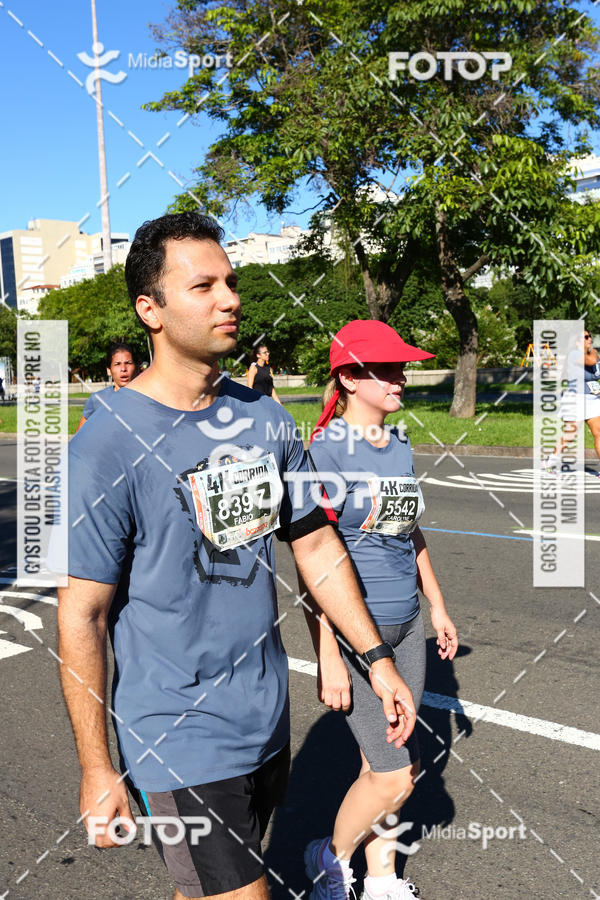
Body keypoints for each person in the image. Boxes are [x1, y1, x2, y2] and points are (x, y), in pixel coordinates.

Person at [55, 213, 417, 900]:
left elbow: (314, 543)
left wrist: (377, 657)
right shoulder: (107, 444)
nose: (230, 299)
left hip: (264, 716)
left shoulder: (266, 420)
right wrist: (98, 767)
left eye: (231, 281)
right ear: (150, 309)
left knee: (199, 889)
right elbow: (83, 616)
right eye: (203, 286)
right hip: (176, 733)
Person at [303, 320, 458, 900]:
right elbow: (314, 561)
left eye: (402, 368)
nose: (401, 379)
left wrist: (437, 606)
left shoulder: (398, 445)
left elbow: (409, 531)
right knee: (398, 775)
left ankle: (383, 878)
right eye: (388, 370)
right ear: (348, 377)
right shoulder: (323, 453)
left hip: (409, 623)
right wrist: (329, 655)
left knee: (390, 764)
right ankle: (330, 856)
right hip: (356, 635)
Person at [546, 329, 600, 471]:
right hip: (576, 399)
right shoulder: (575, 354)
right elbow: (591, 360)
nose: (589, 339)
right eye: (586, 337)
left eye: (590, 337)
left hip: (593, 399)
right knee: (570, 434)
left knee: (598, 432)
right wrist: (594, 352)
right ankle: (550, 462)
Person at [76, 341, 136, 431]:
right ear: (109, 370)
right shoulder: (98, 399)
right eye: (117, 364)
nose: (123, 369)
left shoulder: (148, 399)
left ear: (137, 367)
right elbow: (79, 437)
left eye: (128, 363)